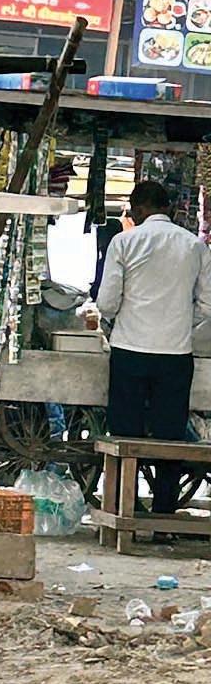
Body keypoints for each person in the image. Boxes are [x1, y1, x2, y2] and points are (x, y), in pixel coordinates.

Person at [96, 180, 211, 518]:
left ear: (138, 209)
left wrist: (125, 317)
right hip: (175, 355)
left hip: (130, 350)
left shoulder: (124, 242)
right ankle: (164, 516)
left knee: (125, 433)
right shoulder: (194, 247)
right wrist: (180, 322)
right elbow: (208, 304)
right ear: (169, 209)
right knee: (170, 438)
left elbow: (106, 302)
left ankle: (123, 509)